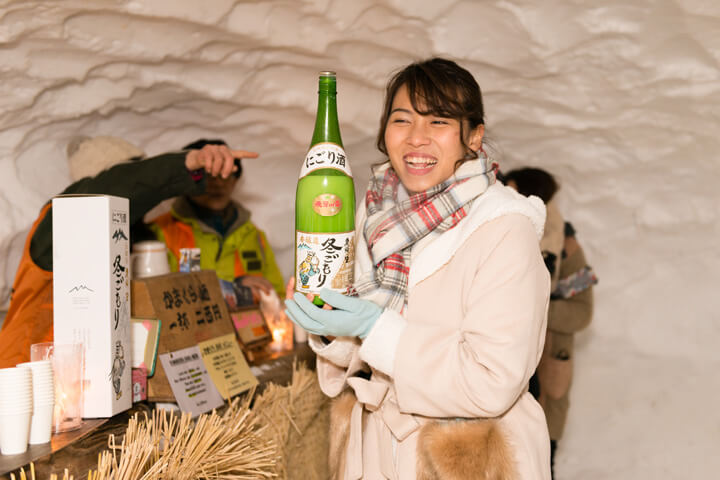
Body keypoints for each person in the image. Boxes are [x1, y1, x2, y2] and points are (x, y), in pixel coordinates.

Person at [285, 58, 551, 479]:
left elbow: (490, 383)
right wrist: (328, 325)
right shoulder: (376, 217)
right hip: (374, 455)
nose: (416, 139)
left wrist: (376, 328)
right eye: (402, 119)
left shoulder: (503, 229)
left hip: (462, 462)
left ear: (474, 137)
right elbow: (357, 362)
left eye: (439, 121)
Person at [0, 136, 258, 368]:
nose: (146, 197)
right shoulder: (57, 226)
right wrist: (185, 164)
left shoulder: (138, 236)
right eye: (133, 175)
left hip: (92, 390)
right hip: (26, 384)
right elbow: (118, 186)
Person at [504, 167, 597, 478]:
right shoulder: (496, 233)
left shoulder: (564, 246)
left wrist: (535, 310)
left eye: (514, 190)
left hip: (546, 378)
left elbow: (582, 312)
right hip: (501, 380)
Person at [146, 138, 285, 301]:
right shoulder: (159, 233)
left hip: (247, 327)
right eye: (209, 175)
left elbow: (278, 297)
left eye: (226, 175)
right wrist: (235, 291)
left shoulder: (254, 236)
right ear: (187, 182)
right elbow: (153, 297)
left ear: (235, 181)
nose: (218, 183)